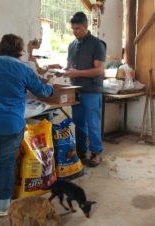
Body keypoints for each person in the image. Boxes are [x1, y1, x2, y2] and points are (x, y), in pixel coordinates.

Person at [0, 34, 53, 220]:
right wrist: (52, 87)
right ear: (21, 52)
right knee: (5, 166)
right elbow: (42, 91)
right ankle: (4, 208)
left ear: (0, 48)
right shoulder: (25, 69)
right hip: (11, 126)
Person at [63, 12, 106, 167]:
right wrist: (59, 69)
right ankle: (81, 150)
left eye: (78, 28)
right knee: (78, 122)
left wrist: (76, 73)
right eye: (73, 29)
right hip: (76, 90)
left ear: (86, 26)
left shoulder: (97, 44)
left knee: (92, 123)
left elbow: (99, 70)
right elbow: (69, 66)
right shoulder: (72, 45)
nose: (75, 31)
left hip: (92, 90)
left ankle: (96, 153)